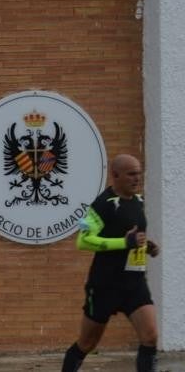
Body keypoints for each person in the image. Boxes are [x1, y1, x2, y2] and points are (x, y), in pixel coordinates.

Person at [60, 154, 160, 372]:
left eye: (139, 173)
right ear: (115, 175)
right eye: (131, 174)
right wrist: (124, 242)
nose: (137, 178)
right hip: (105, 285)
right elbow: (83, 241)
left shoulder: (138, 201)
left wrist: (146, 245)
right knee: (87, 343)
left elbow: (133, 237)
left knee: (150, 337)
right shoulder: (102, 205)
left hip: (134, 284)